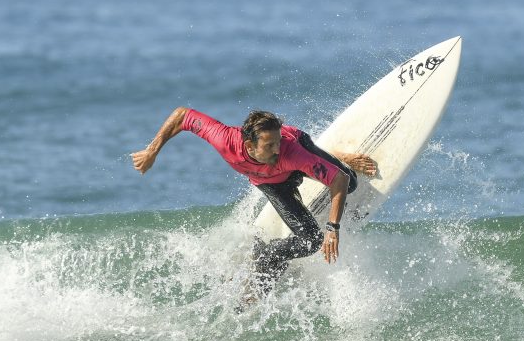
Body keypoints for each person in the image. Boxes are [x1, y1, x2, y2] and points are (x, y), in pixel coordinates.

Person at [131, 107, 376, 306]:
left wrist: (333, 228)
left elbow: (338, 180)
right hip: (272, 183)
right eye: (269, 146)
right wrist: (152, 151)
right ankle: (267, 257)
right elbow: (183, 116)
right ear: (249, 146)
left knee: (351, 182)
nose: (277, 150)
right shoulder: (224, 139)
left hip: (300, 149)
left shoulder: (289, 151)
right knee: (311, 241)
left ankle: (336, 155)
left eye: (277, 142)